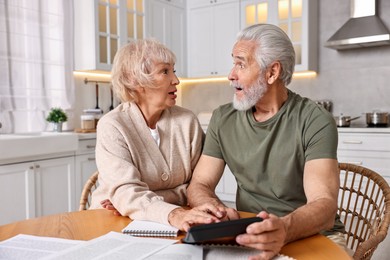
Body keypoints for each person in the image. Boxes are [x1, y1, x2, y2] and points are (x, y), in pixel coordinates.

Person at [187, 24, 346, 260]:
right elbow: (199, 184)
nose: (231, 74)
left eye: (241, 64)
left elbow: (324, 205)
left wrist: (284, 228)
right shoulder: (222, 119)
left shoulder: (314, 120)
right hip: (249, 232)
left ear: (272, 73)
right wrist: (216, 212)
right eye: (233, 63)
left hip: (313, 235)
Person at [89, 39, 219, 231]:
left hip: (167, 222)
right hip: (113, 223)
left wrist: (134, 200)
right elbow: (126, 192)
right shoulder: (113, 125)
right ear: (135, 79)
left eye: (173, 70)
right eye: (165, 71)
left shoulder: (187, 120)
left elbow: (197, 186)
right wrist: (173, 208)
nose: (176, 80)